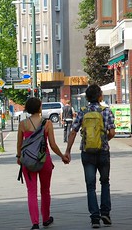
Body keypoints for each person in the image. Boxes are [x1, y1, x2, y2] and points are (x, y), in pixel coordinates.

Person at [64, 84, 115, 228]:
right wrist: (103, 141)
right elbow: (112, 133)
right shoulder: (107, 111)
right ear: (100, 97)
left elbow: (73, 132)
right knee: (105, 182)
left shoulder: (82, 112)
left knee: (90, 185)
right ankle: (105, 212)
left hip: (87, 153)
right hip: (103, 152)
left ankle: (94, 218)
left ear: (86, 98)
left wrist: (67, 151)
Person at [16, 97, 68, 230]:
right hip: (44, 159)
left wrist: (19, 157)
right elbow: (53, 144)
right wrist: (62, 156)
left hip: (28, 161)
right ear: (39, 108)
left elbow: (19, 144)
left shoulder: (23, 124)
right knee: (45, 190)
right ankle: (45, 219)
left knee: (31, 192)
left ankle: (35, 223)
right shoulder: (47, 123)